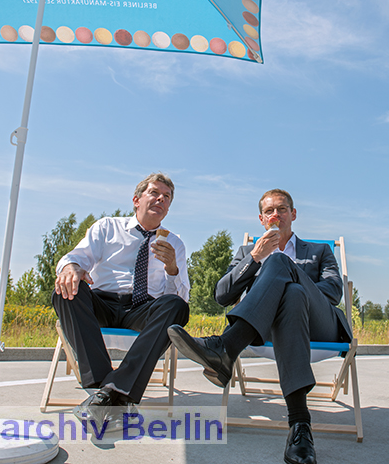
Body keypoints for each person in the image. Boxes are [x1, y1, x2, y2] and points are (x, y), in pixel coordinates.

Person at [168, 189, 351, 464]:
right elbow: (222, 295)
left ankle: (226, 347)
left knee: (284, 268)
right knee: (292, 296)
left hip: (320, 325)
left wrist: (290, 274)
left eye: (282, 209)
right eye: (269, 211)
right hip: (268, 329)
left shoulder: (319, 251)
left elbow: (334, 291)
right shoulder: (248, 251)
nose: (275, 215)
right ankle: (300, 426)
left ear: (293, 214)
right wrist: (255, 258)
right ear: (261, 218)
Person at [53, 173, 190, 427]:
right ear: (136, 200)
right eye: (154, 193)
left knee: (176, 307)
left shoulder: (175, 244)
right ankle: (111, 391)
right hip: (102, 302)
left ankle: (104, 395)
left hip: (143, 309)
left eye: (167, 197)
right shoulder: (107, 227)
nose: (161, 199)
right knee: (66, 288)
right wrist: (71, 267)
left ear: (168, 208)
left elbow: (180, 298)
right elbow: (78, 257)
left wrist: (173, 269)